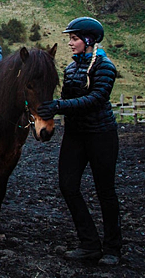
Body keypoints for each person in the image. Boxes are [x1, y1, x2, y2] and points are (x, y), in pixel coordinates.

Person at [37, 17, 122, 266]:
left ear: (88, 40)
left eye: (74, 39)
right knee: (68, 186)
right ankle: (89, 243)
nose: (70, 43)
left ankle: (112, 248)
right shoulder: (71, 69)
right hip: (75, 136)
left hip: (101, 135)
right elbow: (63, 100)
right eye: (70, 39)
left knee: (105, 191)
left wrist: (59, 106)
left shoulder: (105, 66)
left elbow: (95, 99)